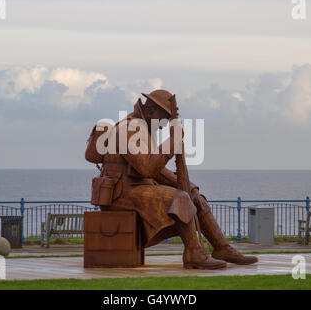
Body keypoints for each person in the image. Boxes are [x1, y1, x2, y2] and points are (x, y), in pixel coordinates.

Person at [88, 89, 258, 269]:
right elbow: (147, 168)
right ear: (152, 110)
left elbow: (157, 171)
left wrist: (190, 187)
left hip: (138, 188)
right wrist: (173, 140)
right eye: (164, 118)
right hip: (122, 194)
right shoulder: (130, 128)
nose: (164, 125)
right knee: (180, 198)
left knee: (195, 198)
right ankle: (194, 253)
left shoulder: (143, 129)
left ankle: (222, 247)